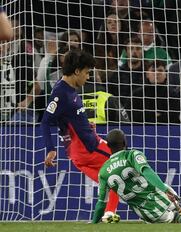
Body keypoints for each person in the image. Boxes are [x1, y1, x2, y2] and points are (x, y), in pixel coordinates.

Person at [40, 50, 119, 222]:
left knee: (112, 183)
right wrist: (51, 149)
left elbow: (71, 120)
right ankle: (162, 206)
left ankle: (104, 218)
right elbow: (45, 121)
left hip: (79, 154)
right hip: (89, 149)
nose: (88, 77)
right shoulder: (60, 93)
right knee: (124, 169)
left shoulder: (69, 90)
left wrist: (88, 127)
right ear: (77, 71)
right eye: (87, 72)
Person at [91, 129, 181, 224]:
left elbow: (101, 204)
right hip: (158, 194)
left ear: (108, 146)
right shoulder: (132, 154)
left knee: (171, 217)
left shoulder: (103, 171)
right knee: (175, 209)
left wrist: (94, 223)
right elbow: (147, 171)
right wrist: (164, 189)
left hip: (145, 212)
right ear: (125, 143)